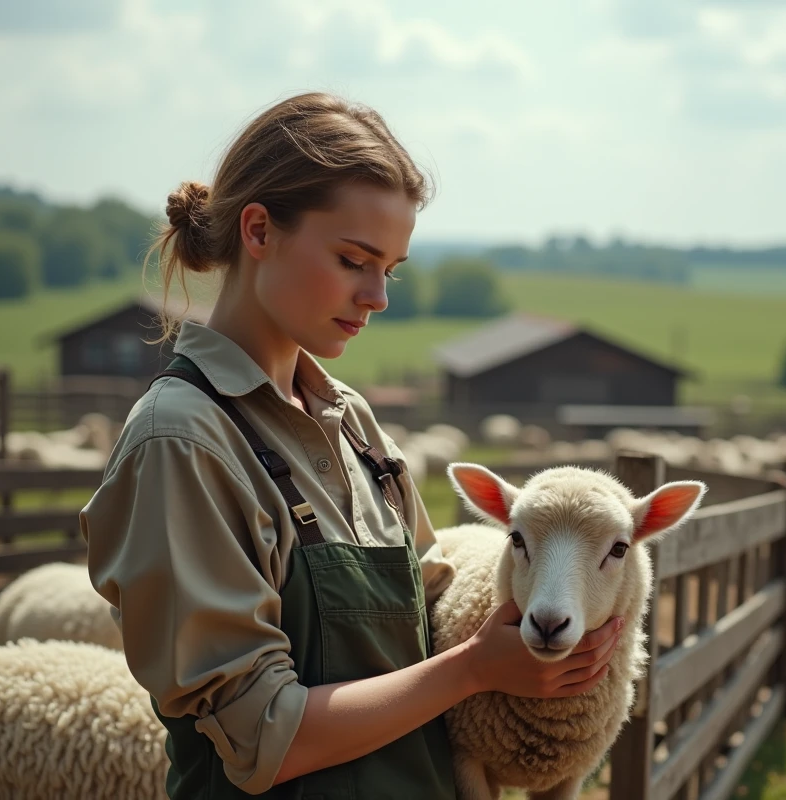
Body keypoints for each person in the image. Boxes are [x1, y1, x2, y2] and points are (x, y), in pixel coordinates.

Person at [80, 91, 623, 799]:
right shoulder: (182, 444)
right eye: (353, 259)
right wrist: (475, 670)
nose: (378, 297)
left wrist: (561, 597)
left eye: (390, 269)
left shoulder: (351, 422)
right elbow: (260, 736)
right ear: (257, 231)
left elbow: (426, 610)